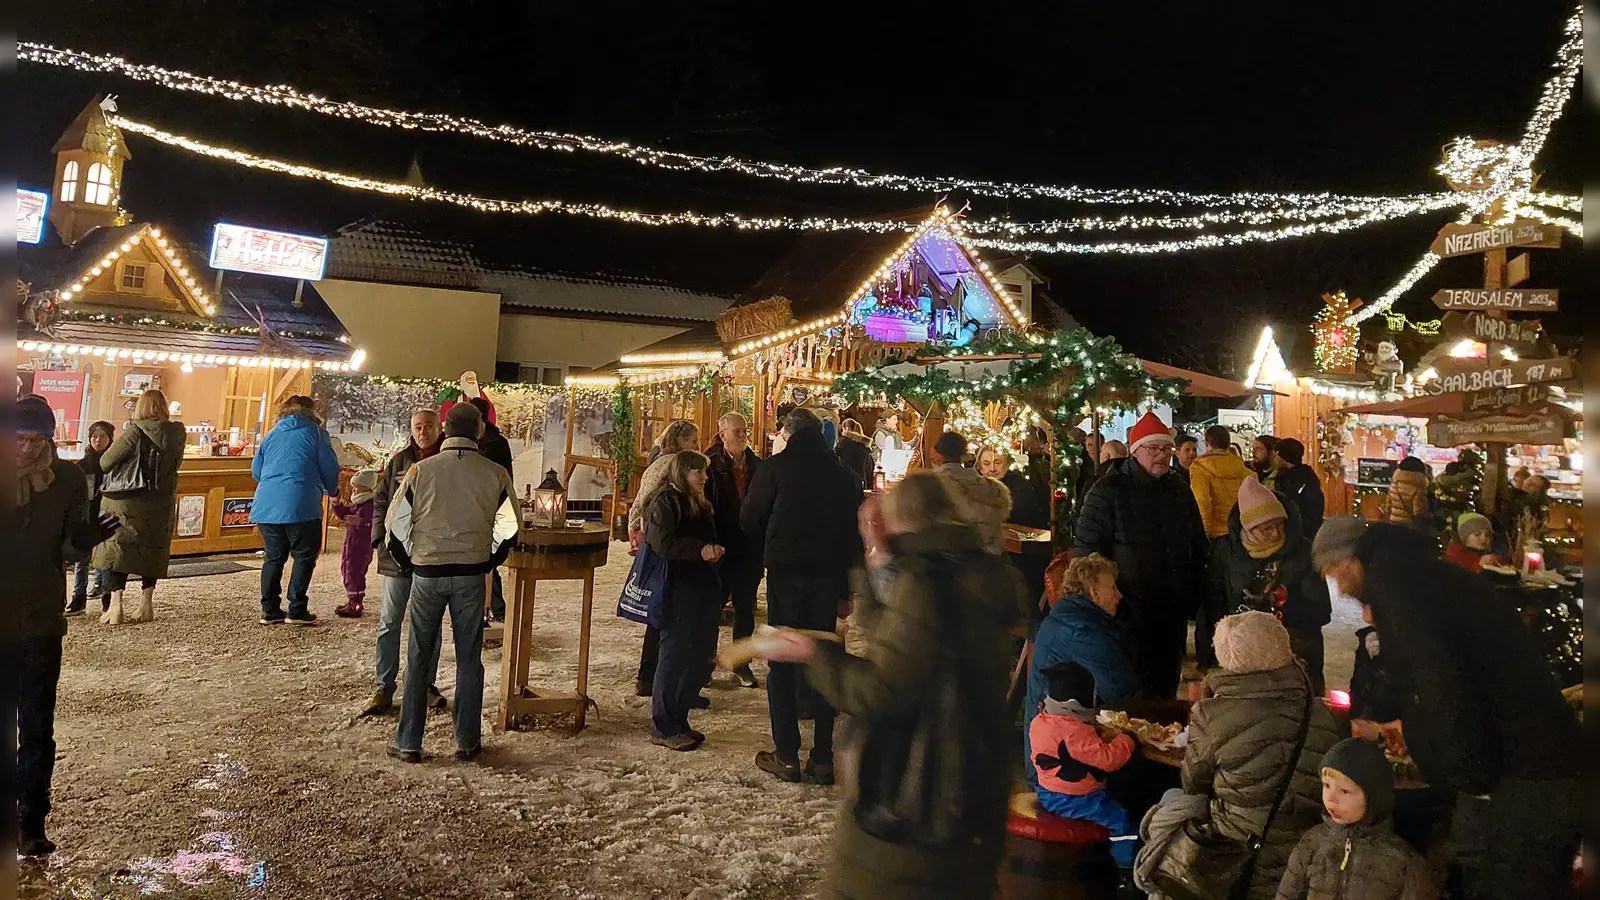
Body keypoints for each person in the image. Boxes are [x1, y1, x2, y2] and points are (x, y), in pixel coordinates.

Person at [749, 470, 1023, 900]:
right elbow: (911, 643)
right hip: (976, 783)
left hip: (916, 787)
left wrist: (813, 654)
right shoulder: (985, 572)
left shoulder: (926, 579)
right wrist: (874, 572)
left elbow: (882, 689)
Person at [1313, 518, 1581, 900]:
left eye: (1334, 573)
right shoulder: (1420, 578)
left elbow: (1444, 691)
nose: (1339, 587)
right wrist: (1413, 729)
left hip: (1525, 781)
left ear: (1352, 560)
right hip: (1535, 769)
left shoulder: (1402, 593)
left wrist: (1462, 776)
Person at [1174, 612, 1342, 899]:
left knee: (1169, 809)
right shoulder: (1323, 715)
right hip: (1302, 850)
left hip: (1235, 846)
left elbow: (1193, 785)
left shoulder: (1211, 713)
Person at [384, 402, 518, 763]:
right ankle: (467, 741)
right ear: (479, 430)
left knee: (418, 657)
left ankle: (409, 741)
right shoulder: (495, 473)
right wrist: (488, 560)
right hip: (471, 573)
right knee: (469, 659)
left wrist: (411, 561)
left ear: (444, 427)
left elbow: (394, 525)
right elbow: (509, 529)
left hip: (427, 573)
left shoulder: (420, 471)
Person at [16, 396, 120, 856]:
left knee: (37, 727)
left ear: (47, 439)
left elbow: (67, 552)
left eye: (31, 440)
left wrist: (82, 542)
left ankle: (31, 821)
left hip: (38, 620)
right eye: (13, 439)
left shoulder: (69, 480)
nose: (21, 449)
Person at [741, 407, 863, 784]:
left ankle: (787, 754)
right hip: (828, 578)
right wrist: (847, 588)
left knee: (782, 659)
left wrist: (769, 545)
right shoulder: (843, 474)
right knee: (824, 659)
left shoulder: (775, 468)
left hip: (786, 575)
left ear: (788, 433)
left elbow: (749, 518)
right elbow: (853, 534)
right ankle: (823, 757)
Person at [1074, 411, 1207, 699]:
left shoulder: (1179, 490)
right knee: (1128, 695)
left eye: (1166, 449)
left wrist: (1191, 596)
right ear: (1135, 451)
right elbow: (1087, 553)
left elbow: (1198, 546)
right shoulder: (1107, 491)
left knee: (1165, 693)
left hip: (1170, 616)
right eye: (1153, 449)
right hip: (1125, 615)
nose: (1162, 455)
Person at [1025, 553, 1141, 781]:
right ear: (1093, 590)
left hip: (1047, 754)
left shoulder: (1064, 616)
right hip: (1063, 770)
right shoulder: (1084, 632)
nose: (1119, 595)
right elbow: (1123, 693)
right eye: (1113, 588)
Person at [1275, 738, 1433, 900]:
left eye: (1345, 791)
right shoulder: (1312, 843)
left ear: (1373, 798)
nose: (1331, 798)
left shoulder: (1401, 862)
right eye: (1326, 785)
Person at [364, 408, 446, 716]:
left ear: (439, 428)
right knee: (389, 622)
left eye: (427, 426)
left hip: (431, 553)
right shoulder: (398, 460)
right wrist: (377, 538)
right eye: (417, 427)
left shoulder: (449, 461)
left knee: (428, 625)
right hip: (396, 552)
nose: (422, 432)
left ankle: (425, 684)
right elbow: (381, 499)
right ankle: (384, 685)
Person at [1218, 477, 1331, 693]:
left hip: (1294, 653)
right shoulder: (1227, 553)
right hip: (1241, 652)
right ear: (1248, 529)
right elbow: (1215, 601)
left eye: (1279, 525)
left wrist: (1284, 607)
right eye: (1266, 529)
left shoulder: (1304, 553)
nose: (1276, 533)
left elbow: (1321, 611)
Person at [644, 451, 725, 750]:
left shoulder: (697, 502)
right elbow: (662, 541)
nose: (704, 477)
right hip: (678, 589)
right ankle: (663, 726)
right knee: (673, 657)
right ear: (682, 473)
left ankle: (679, 720)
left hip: (700, 588)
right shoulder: (666, 501)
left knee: (694, 656)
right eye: (698, 472)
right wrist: (699, 550)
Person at [1031, 663, 1140, 877]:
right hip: (1075, 799)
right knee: (1123, 821)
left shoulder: (1040, 721)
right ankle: (1126, 871)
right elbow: (1109, 760)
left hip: (1046, 792)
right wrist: (1128, 739)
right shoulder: (1074, 730)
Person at [94, 389, 186, 625]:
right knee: (152, 551)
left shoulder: (135, 432)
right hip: (161, 503)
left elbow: (105, 462)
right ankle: (146, 606)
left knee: (118, 550)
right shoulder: (178, 434)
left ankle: (116, 608)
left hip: (127, 502)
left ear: (141, 407)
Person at [251, 396, 341, 625]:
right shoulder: (317, 434)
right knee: (303, 556)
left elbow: (256, 471)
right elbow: (329, 467)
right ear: (311, 411)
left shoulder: (271, 434)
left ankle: (269, 609)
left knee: (273, 557)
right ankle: (296, 608)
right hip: (301, 504)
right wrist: (333, 489)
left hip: (267, 504)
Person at [628, 419, 701, 696]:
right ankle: (654, 679)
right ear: (681, 442)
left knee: (659, 613)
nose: (696, 446)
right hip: (662, 544)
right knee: (663, 613)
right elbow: (648, 501)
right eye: (692, 442)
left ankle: (649, 677)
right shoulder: (671, 466)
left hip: (651, 538)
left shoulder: (658, 462)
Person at [1190, 424, 1254, 668]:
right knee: (1235, 598)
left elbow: (1202, 503)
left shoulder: (1200, 467)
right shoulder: (1245, 471)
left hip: (1214, 540)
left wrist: (1202, 537)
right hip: (1241, 540)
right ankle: (1237, 655)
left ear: (1207, 443)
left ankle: (1209, 658)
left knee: (1209, 602)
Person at [706, 412, 762, 689]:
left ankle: (742, 664)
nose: (742, 435)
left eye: (745, 430)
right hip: (720, 547)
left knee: (745, 609)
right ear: (722, 434)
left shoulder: (758, 466)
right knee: (710, 608)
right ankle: (705, 663)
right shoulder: (709, 465)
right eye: (737, 431)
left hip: (748, 548)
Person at [468, 396, 514, 622]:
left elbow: (502, 478)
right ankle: (482, 610)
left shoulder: (496, 444)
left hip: (492, 510)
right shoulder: (471, 441)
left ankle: (497, 611)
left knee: (489, 563)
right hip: (473, 509)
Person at [932, 430, 1010, 555]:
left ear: (936, 455)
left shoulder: (932, 486)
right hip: (990, 563)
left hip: (952, 563)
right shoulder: (993, 490)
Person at [66, 419, 115, 617]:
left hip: (107, 513)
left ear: (110, 439)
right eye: (94, 436)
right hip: (86, 515)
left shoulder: (115, 463)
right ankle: (79, 598)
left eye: (103, 436)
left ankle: (105, 594)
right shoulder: (82, 464)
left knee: (105, 558)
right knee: (82, 559)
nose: (98, 440)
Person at [332, 469, 379, 618]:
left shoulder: (369, 505)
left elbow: (374, 524)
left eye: (356, 487)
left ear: (366, 488)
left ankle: (355, 604)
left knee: (354, 572)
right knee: (347, 569)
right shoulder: (357, 504)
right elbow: (344, 513)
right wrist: (337, 505)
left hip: (361, 547)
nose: (353, 490)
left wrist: (361, 523)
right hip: (351, 545)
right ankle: (353, 600)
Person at [1270, 437, 1324, 541]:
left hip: (1299, 534)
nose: (1274, 458)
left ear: (1281, 455)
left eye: (1275, 454)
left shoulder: (1294, 481)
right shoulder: (1306, 476)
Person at [1383, 457, 1429, 528]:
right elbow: (1418, 512)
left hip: (1394, 523)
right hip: (1409, 526)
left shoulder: (1394, 485)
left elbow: (1388, 507)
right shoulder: (1418, 487)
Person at [834, 417, 874, 490]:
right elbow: (869, 471)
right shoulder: (865, 447)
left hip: (843, 486)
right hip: (861, 486)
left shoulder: (842, 445)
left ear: (846, 429)